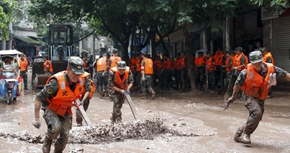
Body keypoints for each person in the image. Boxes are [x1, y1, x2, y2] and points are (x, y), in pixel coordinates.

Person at [222, 51, 290, 144]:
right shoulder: (245, 72)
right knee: (256, 113)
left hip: (261, 97)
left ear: (262, 61)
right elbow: (237, 85)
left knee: (256, 118)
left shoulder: (270, 68)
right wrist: (232, 97)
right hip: (249, 96)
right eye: (255, 63)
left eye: (259, 62)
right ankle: (246, 134)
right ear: (251, 63)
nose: (258, 64)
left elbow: (285, 74)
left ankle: (238, 134)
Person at [32, 56, 85, 153]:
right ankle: (48, 139)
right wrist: (36, 118)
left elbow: (78, 94)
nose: (76, 76)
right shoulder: (56, 83)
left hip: (65, 109)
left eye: (79, 73)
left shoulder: (80, 81)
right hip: (51, 108)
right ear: (68, 70)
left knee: (65, 135)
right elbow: (39, 98)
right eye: (74, 73)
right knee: (56, 129)